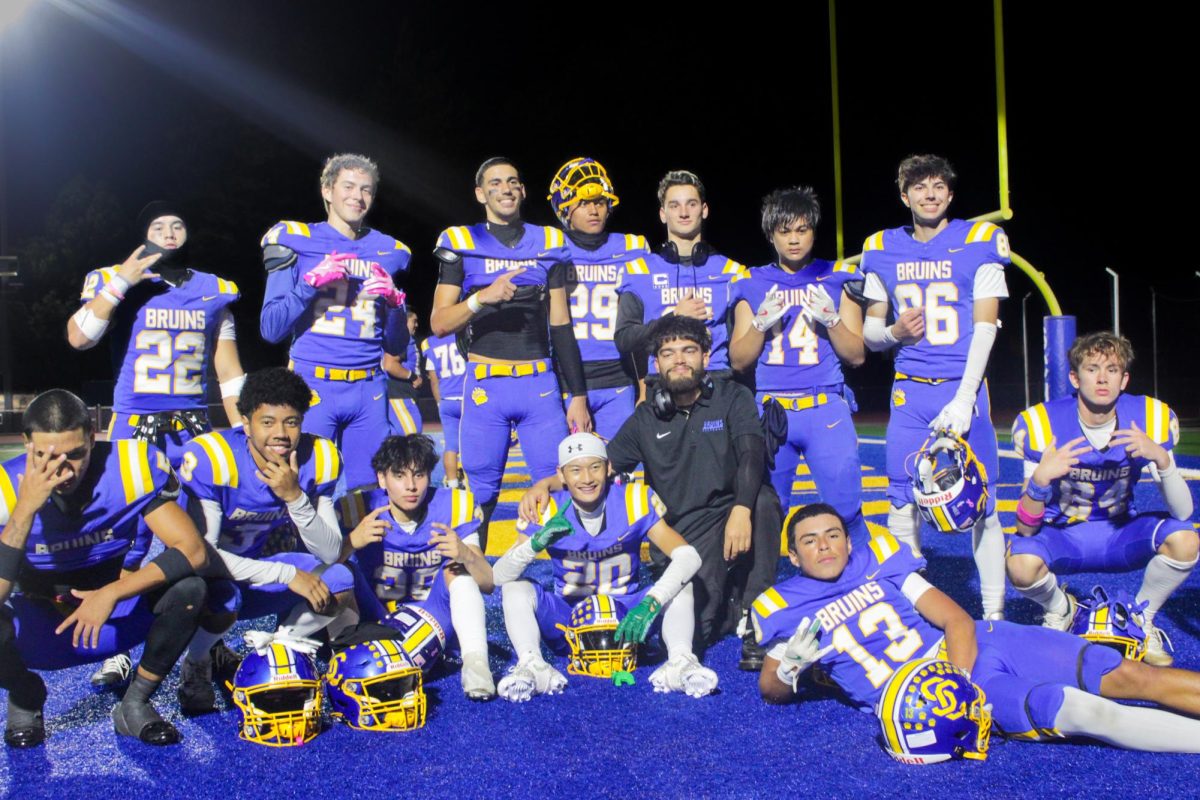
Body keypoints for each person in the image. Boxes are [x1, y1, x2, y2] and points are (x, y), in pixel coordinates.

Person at [753, 503, 1200, 754]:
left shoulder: (881, 561)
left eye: (832, 534)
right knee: (1087, 712)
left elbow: (955, 619)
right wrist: (790, 665)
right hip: (923, 697)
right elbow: (770, 690)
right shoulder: (785, 608)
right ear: (793, 557)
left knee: (1131, 676)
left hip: (974, 650)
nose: (824, 546)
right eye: (809, 541)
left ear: (849, 542)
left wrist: (960, 683)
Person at [521, 316, 778, 661]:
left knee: (762, 499)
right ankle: (729, 603)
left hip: (732, 509)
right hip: (682, 527)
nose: (679, 360)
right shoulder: (646, 418)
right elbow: (600, 465)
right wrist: (544, 484)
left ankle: (755, 617)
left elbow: (751, 453)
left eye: (689, 350)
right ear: (656, 364)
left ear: (705, 356)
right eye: (668, 353)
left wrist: (742, 509)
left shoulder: (732, 396)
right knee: (695, 632)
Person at [66, 201, 246, 687]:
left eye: (178, 224)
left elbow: (228, 373)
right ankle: (119, 640)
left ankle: (206, 638)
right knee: (129, 539)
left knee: (201, 531)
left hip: (192, 430)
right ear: (142, 231)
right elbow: (79, 338)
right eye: (158, 225)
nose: (169, 232)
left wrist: (242, 431)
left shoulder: (214, 289)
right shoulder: (113, 277)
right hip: (133, 425)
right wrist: (121, 280)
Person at [0, 390, 212, 747]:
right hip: (40, 624)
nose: (62, 470)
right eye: (45, 456)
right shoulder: (6, 485)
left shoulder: (130, 465)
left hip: (114, 617)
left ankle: (135, 703)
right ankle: (24, 692)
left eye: (76, 455)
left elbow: (194, 551)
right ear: (26, 444)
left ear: (93, 437)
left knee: (191, 591)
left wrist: (111, 592)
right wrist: (24, 511)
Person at [859, 154, 1008, 621]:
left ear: (950, 193)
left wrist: (965, 399)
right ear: (904, 196)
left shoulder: (978, 241)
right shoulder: (881, 247)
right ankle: (912, 610)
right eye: (919, 187)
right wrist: (895, 335)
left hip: (962, 388)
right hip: (909, 393)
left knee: (983, 504)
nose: (930, 194)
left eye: (938, 186)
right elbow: (871, 332)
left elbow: (986, 328)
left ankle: (994, 613)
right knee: (902, 501)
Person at [429, 157, 591, 550]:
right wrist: (481, 299)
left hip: (539, 384)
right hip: (487, 386)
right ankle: (471, 588)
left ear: (522, 191)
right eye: (496, 182)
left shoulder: (549, 242)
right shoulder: (462, 242)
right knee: (480, 496)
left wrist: (579, 394)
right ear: (481, 193)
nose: (506, 188)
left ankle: (573, 584)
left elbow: (561, 325)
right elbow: (438, 322)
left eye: (513, 181)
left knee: (558, 486)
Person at [174, 368, 357, 714]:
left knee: (339, 581)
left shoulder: (319, 456)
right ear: (246, 423)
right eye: (268, 422)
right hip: (203, 583)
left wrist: (295, 498)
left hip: (254, 575)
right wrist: (287, 575)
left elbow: (331, 552)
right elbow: (203, 556)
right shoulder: (216, 459)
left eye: (291, 422)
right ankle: (197, 661)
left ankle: (281, 648)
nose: (281, 433)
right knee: (223, 597)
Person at [1008, 332, 1196, 665]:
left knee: (1186, 539)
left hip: (1120, 533)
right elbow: (1024, 528)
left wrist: (1162, 460)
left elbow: (1183, 512)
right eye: (1092, 368)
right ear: (1074, 377)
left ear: (1124, 380)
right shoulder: (1042, 423)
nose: (1102, 377)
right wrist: (1039, 480)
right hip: (1063, 535)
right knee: (1019, 562)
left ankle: (1140, 618)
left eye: (1112, 369)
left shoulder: (1147, 417)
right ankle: (1061, 610)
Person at [496, 433, 715, 701]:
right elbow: (500, 576)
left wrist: (653, 603)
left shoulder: (634, 499)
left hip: (630, 618)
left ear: (609, 467)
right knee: (516, 589)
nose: (586, 478)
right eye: (575, 470)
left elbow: (688, 557)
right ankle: (532, 664)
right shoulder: (546, 507)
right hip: (568, 619)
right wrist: (534, 544)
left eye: (595, 467)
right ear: (562, 475)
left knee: (681, 587)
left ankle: (680, 662)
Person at [260, 153, 410, 490]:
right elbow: (271, 329)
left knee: (369, 492)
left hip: (369, 388)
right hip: (313, 387)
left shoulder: (390, 249)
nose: (358, 196)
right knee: (307, 487)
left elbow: (396, 346)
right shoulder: (295, 239)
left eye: (366, 189)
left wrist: (395, 305)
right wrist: (309, 283)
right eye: (349, 186)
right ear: (327, 191)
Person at [728, 187, 868, 537]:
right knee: (766, 516)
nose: (793, 239)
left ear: (813, 231)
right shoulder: (752, 281)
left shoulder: (837, 277)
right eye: (785, 231)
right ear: (771, 234)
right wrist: (760, 324)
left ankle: (860, 587)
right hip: (773, 413)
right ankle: (766, 592)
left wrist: (833, 320)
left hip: (825, 409)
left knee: (847, 513)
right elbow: (739, 360)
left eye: (802, 230)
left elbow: (856, 354)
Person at [337, 434, 494, 700]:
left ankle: (476, 664)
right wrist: (351, 542)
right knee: (340, 574)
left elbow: (488, 582)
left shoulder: (455, 506)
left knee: (459, 571)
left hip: (435, 618)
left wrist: (465, 553)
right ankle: (337, 653)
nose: (411, 486)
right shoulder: (357, 508)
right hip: (373, 619)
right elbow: (319, 572)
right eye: (399, 475)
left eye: (419, 475)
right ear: (381, 478)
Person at [548, 157, 649, 439]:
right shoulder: (550, 247)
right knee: (571, 473)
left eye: (600, 202)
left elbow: (643, 323)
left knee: (624, 473)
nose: (593, 210)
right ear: (565, 207)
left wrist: (645, 386)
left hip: (619, 379)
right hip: (565, 381)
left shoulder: (633, 248)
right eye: (582, 203)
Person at [614, 170, 747, 382]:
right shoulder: (638, 271)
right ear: (662, 213)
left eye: (691, 204)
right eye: (674, 206)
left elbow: (742, 349)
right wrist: (674, 317)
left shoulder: (733, 272)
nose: (683, 213)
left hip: (717, 384)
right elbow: (624, 340)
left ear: (704, 210)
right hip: (662, 386)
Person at [421, 330, 467, 487]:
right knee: (474, 443)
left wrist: (440, 402)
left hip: (447, 400)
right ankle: (474, 483)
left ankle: (453, 483)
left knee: (451, 446)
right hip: (468, 398)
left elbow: (434, 381)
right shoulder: (465, 334)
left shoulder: (430, 343)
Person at [383, 309, 424, 435]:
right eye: (414, 321)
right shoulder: (401, 338)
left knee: (399, 443)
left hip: (400, 396)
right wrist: (413, 377)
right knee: (412, 440)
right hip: (400, 396)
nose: (416, 325)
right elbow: (389, 365)